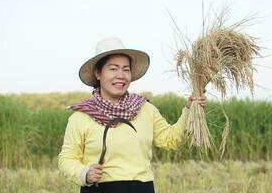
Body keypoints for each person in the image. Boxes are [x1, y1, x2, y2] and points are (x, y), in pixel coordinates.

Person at [58, 37, 206, 193]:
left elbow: (171, 140)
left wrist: (189, 110)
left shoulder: (145, 109)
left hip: (141, 188)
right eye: (113, 69)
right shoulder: (81, 116)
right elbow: (66, 158)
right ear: (98, 73)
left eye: (125, 69)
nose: (120, 75)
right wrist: (84, 174)